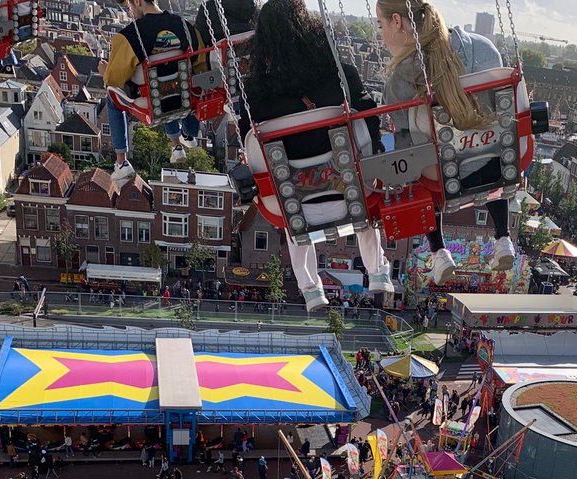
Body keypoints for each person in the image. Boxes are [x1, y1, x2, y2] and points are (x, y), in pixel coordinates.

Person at [241, 0, 395, 311]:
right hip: (351, 195)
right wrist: (374, 149)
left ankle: (310, 289)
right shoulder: (341, 76)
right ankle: (378, 272)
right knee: (359, 188)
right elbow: (371, 120)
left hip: (298, 208)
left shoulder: (255, 95)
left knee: (289, 201)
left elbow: (251, 149)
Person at [376, 0, 516, 281]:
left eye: (381, 25)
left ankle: (439, 252)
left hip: (439, 180)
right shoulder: (485, 49)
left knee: (413, 156)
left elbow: (405, 146)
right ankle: (503, 238)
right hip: (493, 166)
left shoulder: (400, 77)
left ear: (398, 21)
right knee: (493, 145)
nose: (381, 34)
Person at [103, 0, 207, 185]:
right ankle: (178, 145)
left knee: (111, 97)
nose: (130, 10)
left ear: (138, 2)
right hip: (182, 98)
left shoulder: (129, 36)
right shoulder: (186, 27)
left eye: (129, 5)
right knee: (173, 83)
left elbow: (114, 79)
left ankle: (121, 162)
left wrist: (104, 72)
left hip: (152, 104)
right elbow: (200, 64)